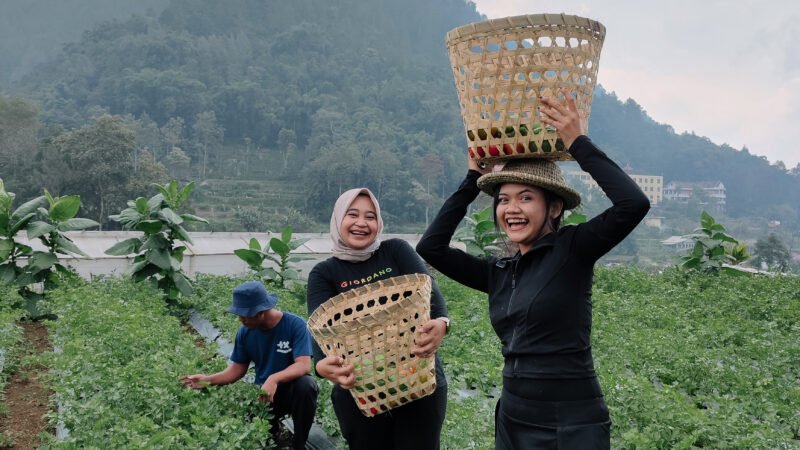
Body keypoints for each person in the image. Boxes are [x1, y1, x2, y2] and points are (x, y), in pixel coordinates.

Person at [416, 91, 650, 449]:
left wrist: (578, 143)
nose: (512, 209)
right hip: (514, 417)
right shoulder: (499, 271)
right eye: (504, 199)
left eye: (526, 198)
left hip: (571, 423)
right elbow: (431, 247)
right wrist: (471, 180)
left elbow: (634, 203)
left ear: (554, 208)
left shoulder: (573, 249)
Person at [307, 188, 450, 450]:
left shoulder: (395, 251)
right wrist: (321, 366)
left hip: (417, 379)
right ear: (339, 220)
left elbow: (429, 291)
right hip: (359, 391)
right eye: (353, 214)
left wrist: (442, 323)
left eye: (370, 216)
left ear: (379, 223)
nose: (362, 223)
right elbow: (320, 330)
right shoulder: (324, 273)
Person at [181, 281, 319, 450]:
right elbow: (237, 370)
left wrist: (274, 379)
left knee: (306, 385)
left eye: (245, 314)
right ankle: (272, 437)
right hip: (263, 396)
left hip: (292, 392)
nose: (241, 319)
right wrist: (206, 380)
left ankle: (299, 444)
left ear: (261, 311)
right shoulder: (245, 332)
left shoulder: (294, 324)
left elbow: (304, 366)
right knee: (258, 435)